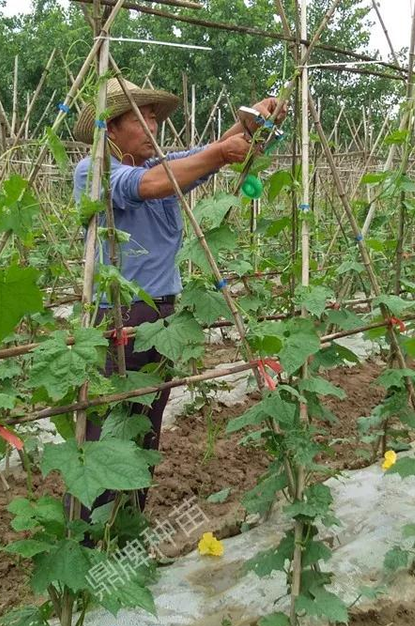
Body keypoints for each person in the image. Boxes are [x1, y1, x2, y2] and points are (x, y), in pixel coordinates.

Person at [72, 78, 286, 531]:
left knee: (147, 423)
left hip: (163, 315)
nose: (152, 125)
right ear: (110, 129)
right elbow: (151, 184)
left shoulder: (162, 163)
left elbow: (205, 155)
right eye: (140, 117)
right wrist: (220, 153)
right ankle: (93, 531)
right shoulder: (93, 172)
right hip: (119, 313)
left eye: (154, 116)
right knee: (107, 429)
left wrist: (252, 122)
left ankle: (131, 522)